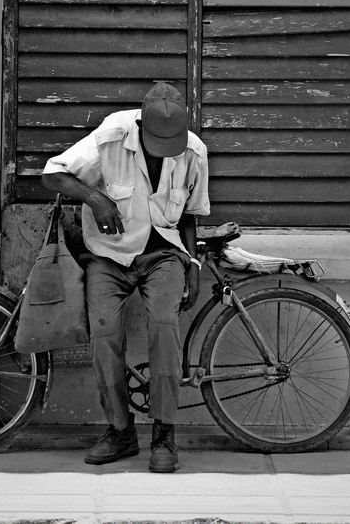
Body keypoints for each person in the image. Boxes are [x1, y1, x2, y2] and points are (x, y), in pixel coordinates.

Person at [41, 81, 210, 473]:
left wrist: (193, 265)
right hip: (108, 253)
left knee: (164, 325)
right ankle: (120, 430)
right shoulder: (111, 135)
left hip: (164, 252)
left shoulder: (194, 151)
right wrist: (94, 197)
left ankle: (164, 434)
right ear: (140, 125)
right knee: (104, 334)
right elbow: (52, 174)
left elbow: (189, 215)